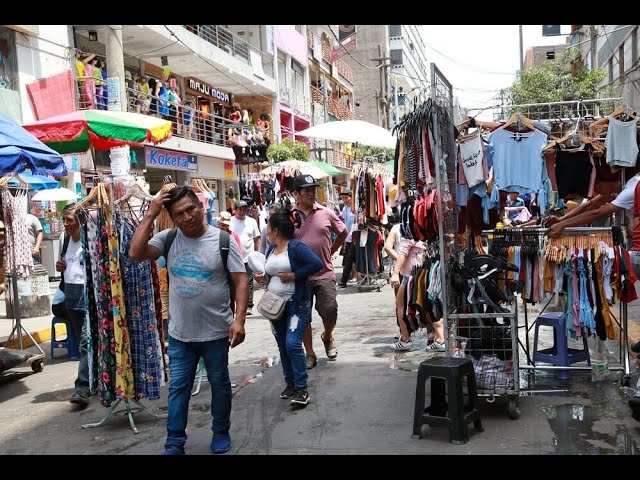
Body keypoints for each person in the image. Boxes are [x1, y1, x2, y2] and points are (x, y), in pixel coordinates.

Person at [129, 186, 249, 455]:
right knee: (178, 389)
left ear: (200, 206)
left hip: (216, 332)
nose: (187, 217)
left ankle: (220, 431)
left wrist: (239, 321)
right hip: (180, 334)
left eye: (190, 209)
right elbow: (136, 253)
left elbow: (240, 281)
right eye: (179, 214)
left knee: (219, 384)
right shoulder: (168, 239)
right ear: (172, 218)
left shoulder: (223, 241)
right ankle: (174, 443)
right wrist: (151, 213)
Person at [254, 211, 323, 407]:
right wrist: (262, 279)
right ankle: (290, 383)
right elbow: (270, 274)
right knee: (283, 345)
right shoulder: (271, 250)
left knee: (292, 343)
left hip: (296, 304)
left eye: (268, 228)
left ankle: (302, 389)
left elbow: (316, 263)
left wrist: (295, 275)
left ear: (275, 230)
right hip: (275, 306)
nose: (266, 232)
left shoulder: (295, 247)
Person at [291, 175, 348, 369]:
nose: (310, 193)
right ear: (296, 193)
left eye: (312, 189)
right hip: (300, 276)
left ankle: (327, 336)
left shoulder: (326, 212)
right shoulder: (290, 216)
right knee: (304, 316)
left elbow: (343, 232)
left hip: (324, 271)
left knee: (330, 309)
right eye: (305, 190)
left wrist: (331, 250)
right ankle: (310, 353)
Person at [56, 204, 91, 407]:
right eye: (64, 219)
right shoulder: (65, 238)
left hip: (88, 294)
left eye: (69, 219)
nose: (66, 223)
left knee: (86, 342)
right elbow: (64, 264)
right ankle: (94, 380)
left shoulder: (90, 238)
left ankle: (82, 387)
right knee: (83, 343)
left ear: (81, 220)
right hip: (70, 293)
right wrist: (61, 266)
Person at [390, 237, 446, 351]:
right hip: (425, 272)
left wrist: (395, 273)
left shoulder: (409, 233)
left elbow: (402, 253)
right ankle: (437, 338)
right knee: (424, 305)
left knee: (412, 305)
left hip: (413, 274)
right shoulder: (425, 233)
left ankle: (407, 339)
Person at [230, 200, 261, 315]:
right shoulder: (231, 221)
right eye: (240, 209)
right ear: (235, 210)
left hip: (248, 257)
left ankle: (249, 305)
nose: (242, 211)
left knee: (248, 282)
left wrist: (257, 254)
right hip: (233, 258)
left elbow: (257, 238)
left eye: (244, 209)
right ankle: (234, 305)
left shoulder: (251, 221)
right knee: (234, 282)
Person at [338, 189, 356, 288]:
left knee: (350, 259)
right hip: (348, 238)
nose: (344, 200)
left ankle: (344, 280)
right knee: (348, 260)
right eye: (343, 198)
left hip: (355, 237)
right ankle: (344, 280)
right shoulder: (345, 209)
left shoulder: (356, 208)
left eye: (346, 198)